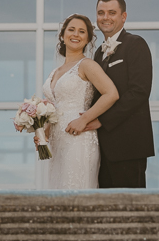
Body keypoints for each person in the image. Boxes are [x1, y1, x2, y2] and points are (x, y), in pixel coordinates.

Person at [41, 13, 119, 189]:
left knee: (75, 189)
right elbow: (54, 106)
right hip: (57, 141)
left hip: (79, 139)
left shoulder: (87, 65)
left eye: (82, 32)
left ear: (88, 40)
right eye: (71, 30)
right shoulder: (55, 72)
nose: (76, 34)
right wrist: (44, 128)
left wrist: (84, 119)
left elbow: (111, 93)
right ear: (62, 35)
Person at [85, 0, 155, 188]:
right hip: (102, 149)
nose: (105, 17)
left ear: (123, 16)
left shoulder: (136, 44)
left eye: (112, 12)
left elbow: (139, 92)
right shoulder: (98, 53)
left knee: (130, 209)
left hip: (129, 146)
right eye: (101, 13)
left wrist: (101, 120)